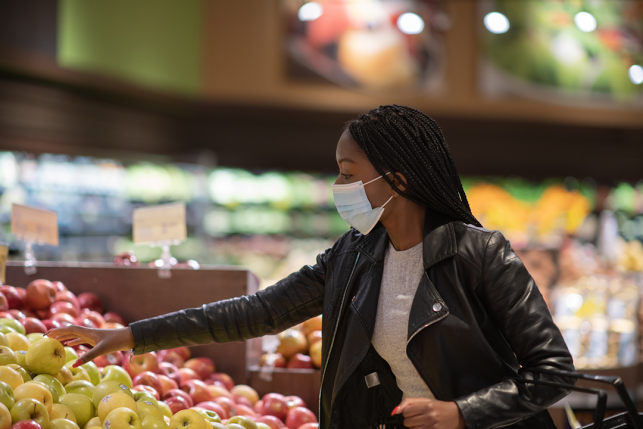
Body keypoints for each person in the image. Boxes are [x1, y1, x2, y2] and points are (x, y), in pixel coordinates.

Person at [50, 105, 575, 429]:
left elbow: (553, 372)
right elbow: (257, 312)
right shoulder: (354, 254)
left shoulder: (480, 254)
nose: (339, 188)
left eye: (349, 174)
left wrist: (461, 414)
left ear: (397, 181)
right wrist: (131, 336)